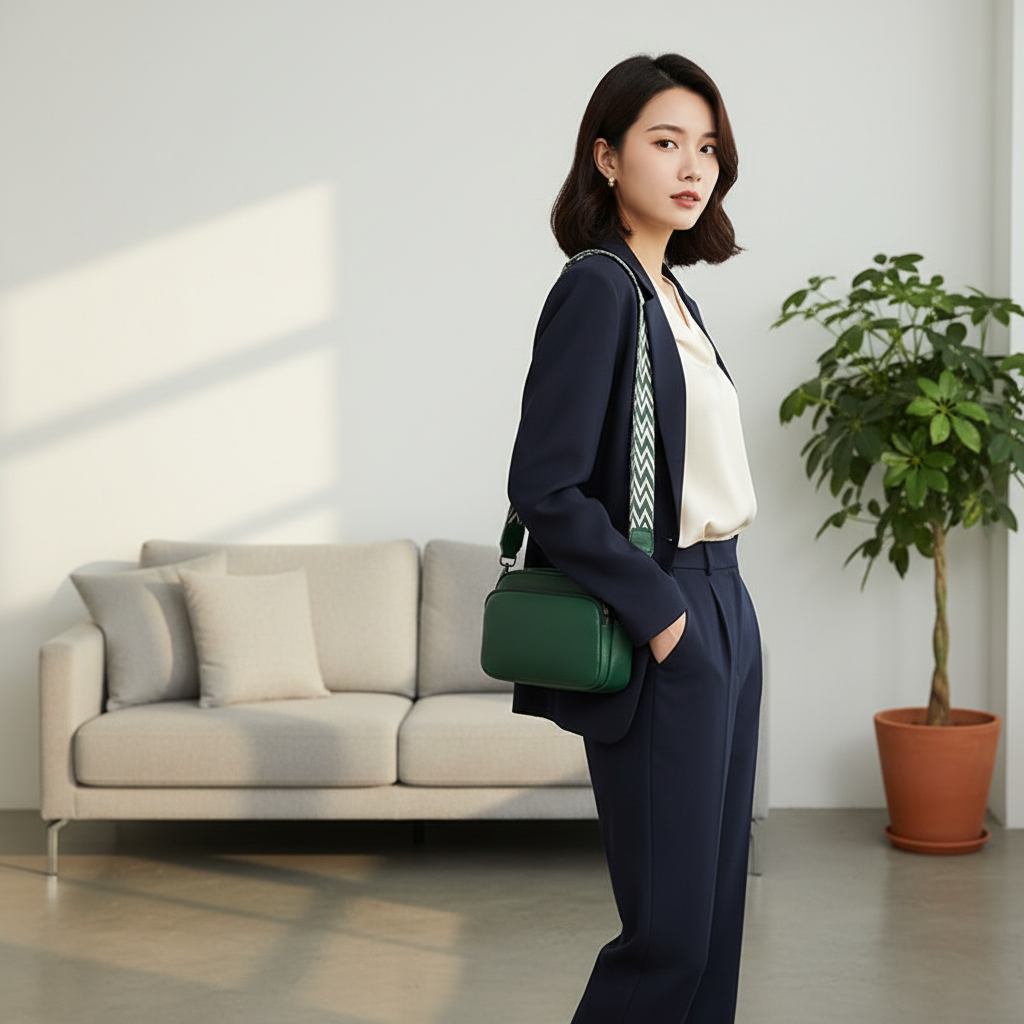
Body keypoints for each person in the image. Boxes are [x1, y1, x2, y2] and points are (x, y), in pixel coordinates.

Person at [507, 53, 762, 1024]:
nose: (692, 166)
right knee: (668, 933)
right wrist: (664, 620)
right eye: (665, 143)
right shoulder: (600, 288)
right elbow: (545, 486)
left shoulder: (675, 298)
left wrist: (718, 625)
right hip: (668, 613)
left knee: (714, 921)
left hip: (725, 603)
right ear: (607, 159)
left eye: (706, 148)